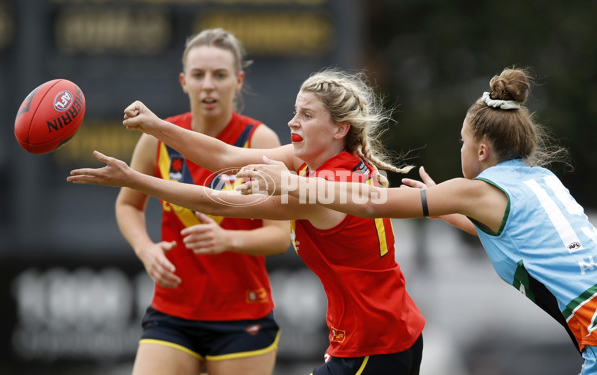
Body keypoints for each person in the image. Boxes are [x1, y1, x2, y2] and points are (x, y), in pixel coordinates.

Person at [238, 67, 597, 374]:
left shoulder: (475, 190)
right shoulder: (542, 180)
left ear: (482, 151)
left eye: (462, 142)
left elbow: (372, 203)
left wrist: (293, 183)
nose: (461, 149)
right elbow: (509, 239)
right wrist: (444, 208)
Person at [68, 68, 426, 375]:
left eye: (306, 115)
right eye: (294, 111)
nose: (292, 122)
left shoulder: (320, 189)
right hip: (392, 331)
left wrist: (134, 179)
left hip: (373, 344)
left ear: (339, 129)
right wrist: (158, 127)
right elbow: (225, 156)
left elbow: (221, 203)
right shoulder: (315, 162)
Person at [114, 28, 290, 375]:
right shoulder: (158, 138)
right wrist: (145, 249)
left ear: (238, 81)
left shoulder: (259, 140)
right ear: (184, 81)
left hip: (242, 315)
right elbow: (128, 205)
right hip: (172, 312)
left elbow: (280, 236)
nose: (208, 84)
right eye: (199, 74)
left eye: (220, 75)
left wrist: (229, 240)